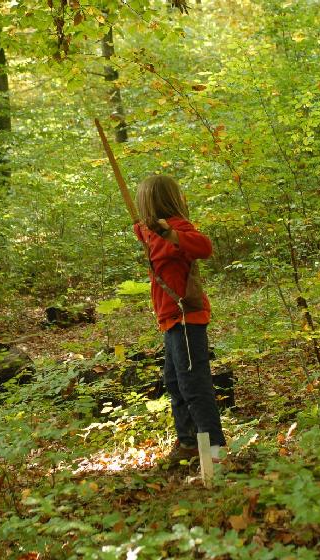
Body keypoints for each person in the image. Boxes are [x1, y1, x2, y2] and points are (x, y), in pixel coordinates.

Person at [133, 174, 227, 465]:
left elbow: (204, 247)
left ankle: (214, 451)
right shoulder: (151, 232)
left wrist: (171, 235)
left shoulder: (177, 228)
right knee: (174, 382)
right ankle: (188, 442)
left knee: (193, 384)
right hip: (171, 320)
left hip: (186, 317)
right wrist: (145, 227)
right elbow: (141, 232)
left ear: (153, 201)